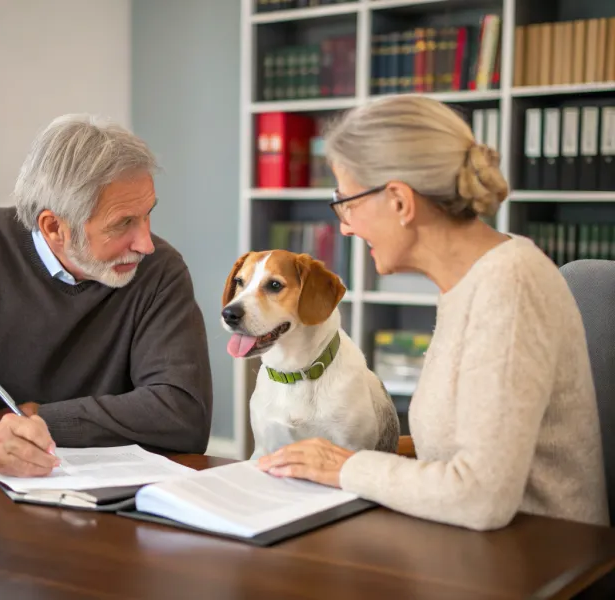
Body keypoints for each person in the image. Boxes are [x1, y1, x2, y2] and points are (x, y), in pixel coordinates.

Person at [258, 95, 609, 531]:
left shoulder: (510, 286)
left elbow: (482, 498)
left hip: (538, 557)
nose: (344, 225)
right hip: (464, 542)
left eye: (346, 202)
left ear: (400, 202)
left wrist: (345, 467)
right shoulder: (466, 282)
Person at [0, 114, 213, 478]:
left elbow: (183, 414)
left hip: (102, 502)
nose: (145, 243)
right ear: (53, 227)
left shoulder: (160, 270)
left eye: (147, 215)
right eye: (123, 223)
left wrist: (33, 418)